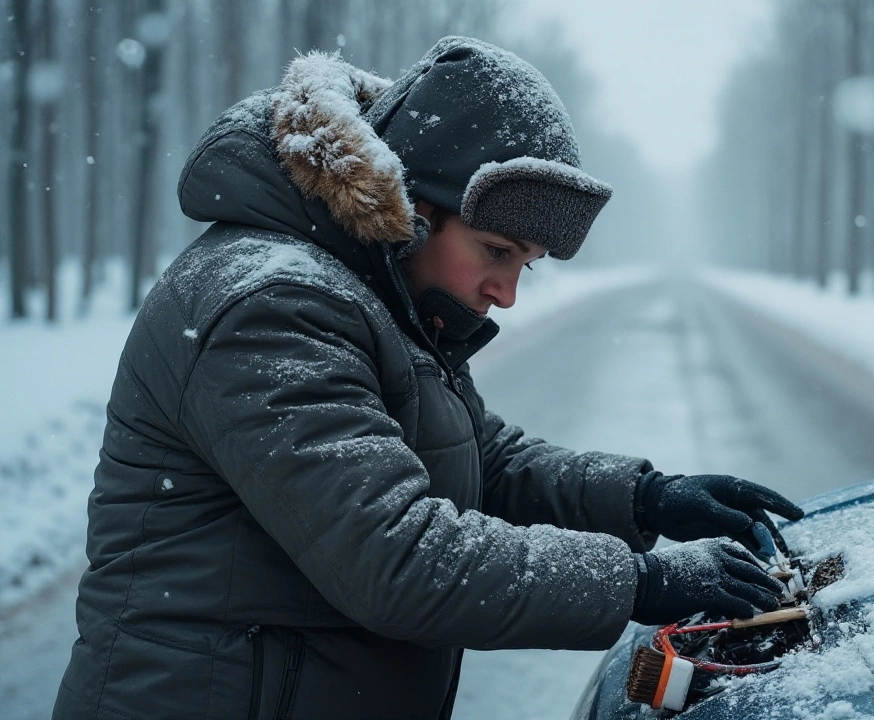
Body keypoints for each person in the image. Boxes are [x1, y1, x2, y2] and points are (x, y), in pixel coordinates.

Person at [52, 36, 804, 720]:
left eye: (525, 267)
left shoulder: (374, 294)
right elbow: (400, 560)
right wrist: (642, 581)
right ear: (411, 207)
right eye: (496, 251)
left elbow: (481, 457)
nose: (505, 292)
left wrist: (646, 496)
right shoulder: (271, 304)